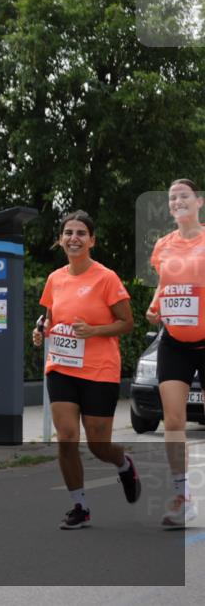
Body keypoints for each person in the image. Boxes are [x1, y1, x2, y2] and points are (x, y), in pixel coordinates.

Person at [32, 211, 139, 529]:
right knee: (66, 437)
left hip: (99, 370)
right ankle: (80, 506)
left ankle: (123, 464)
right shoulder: (55, 279)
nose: (74, 238)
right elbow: (50, 318)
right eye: (68, 233)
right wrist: (40, 330)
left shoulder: (106, 278)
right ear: (60, 240)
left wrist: (94, 331)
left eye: (81, 233)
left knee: (98, 445)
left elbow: (127, 323)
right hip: (61, 367)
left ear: (92, 240)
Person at [145, 178, 204, 528]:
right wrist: (155, 305)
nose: (177, 201)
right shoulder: (163, 245)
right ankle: (184, 497)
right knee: (173, 421)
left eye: (184, 196)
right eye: (172, 198)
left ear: (198, 202)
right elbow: (164, 284)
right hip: (175, 341)